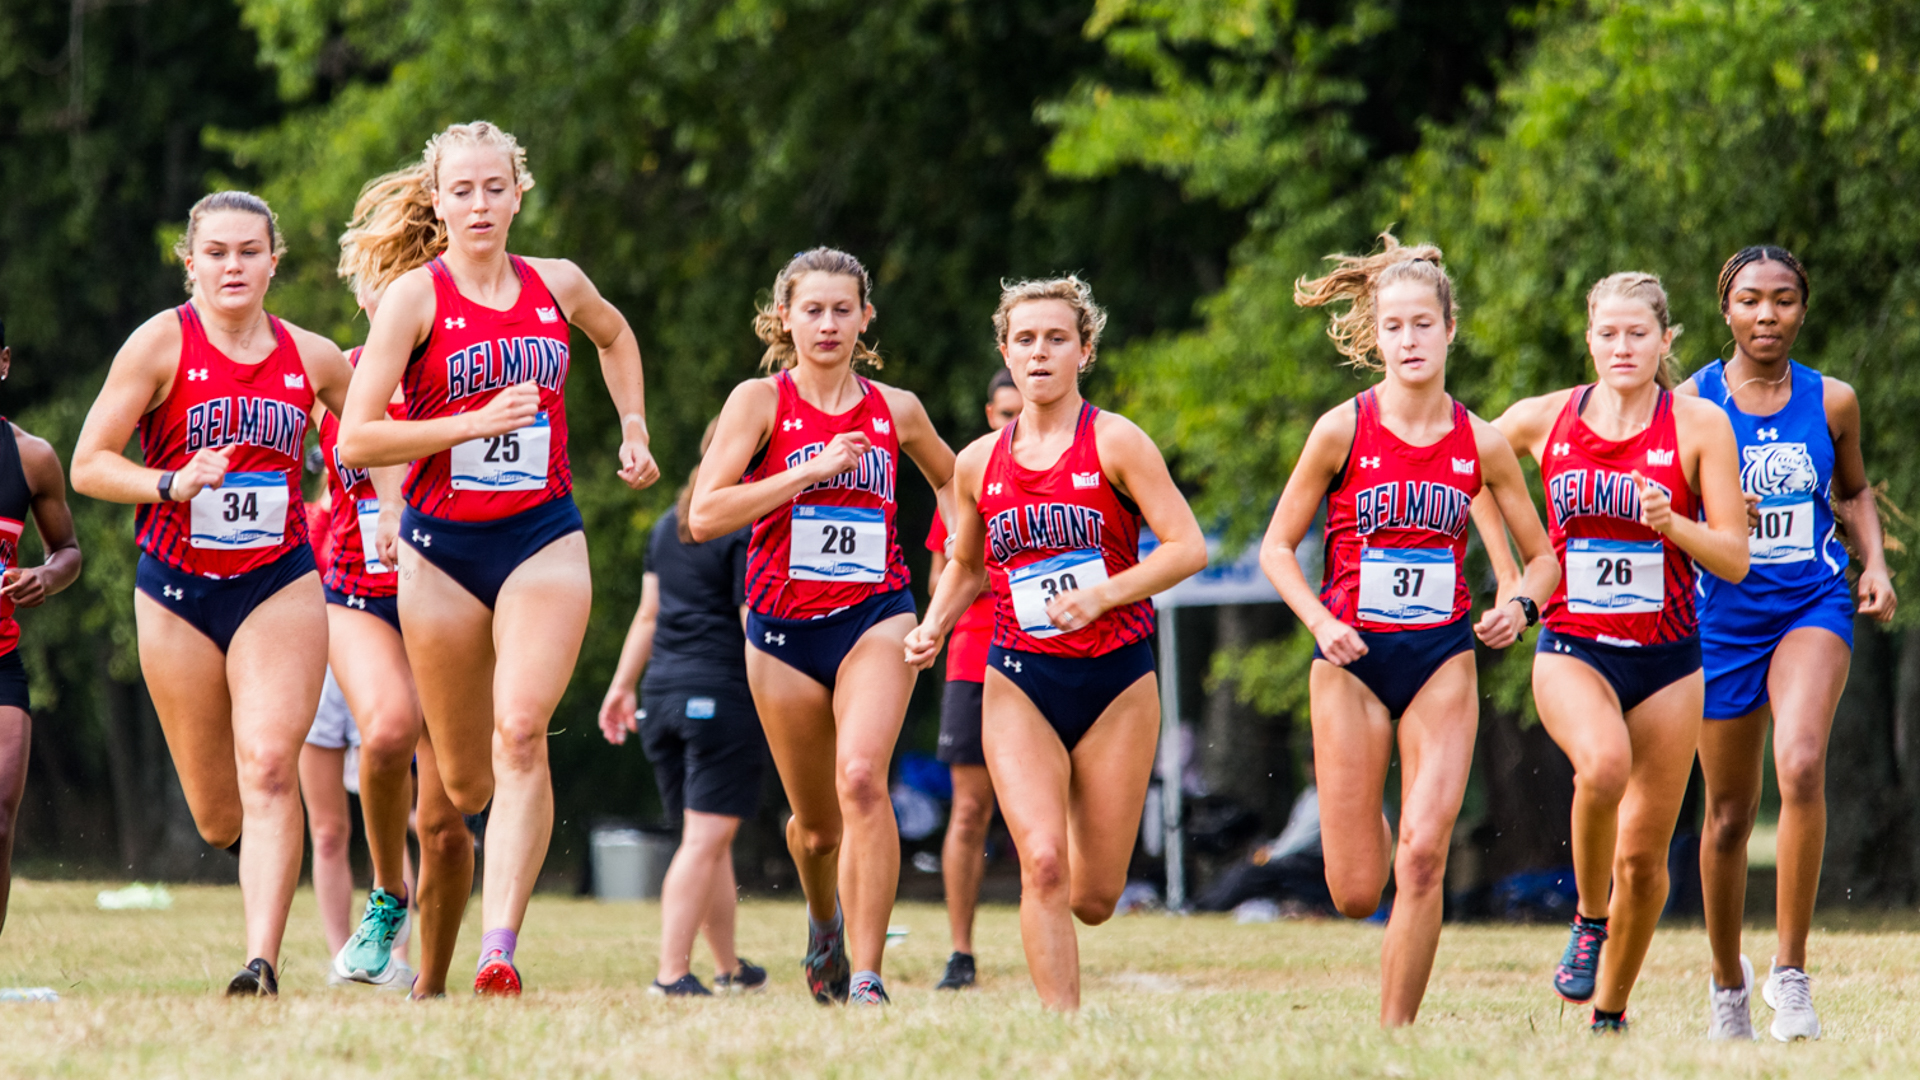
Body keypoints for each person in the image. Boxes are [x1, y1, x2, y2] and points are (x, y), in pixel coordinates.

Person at [337, 121, 659, 996]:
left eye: (494, 187)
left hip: (541, 536)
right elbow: (361, 437)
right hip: (440, 552)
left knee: (522, 730)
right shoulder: (414, 298)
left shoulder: (557, 284)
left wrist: (632, 425)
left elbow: (617, 337)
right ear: (437, 202)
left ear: (520, 193)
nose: (479, 204)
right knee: (460, 786)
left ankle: (500, 947)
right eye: (461, 190)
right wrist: (469, 423)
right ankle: (409, 927)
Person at [1259, 235, 1560, 1027]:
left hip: (1440, 660)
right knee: (1356, 889)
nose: (1409, 341)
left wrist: (1519, 606)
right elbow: (1277, 548)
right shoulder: (1341, 430)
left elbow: (1544, 559)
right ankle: (1370, 813)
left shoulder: (1480, 443)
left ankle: (1396, 1040)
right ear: (1377, 335)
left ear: (1450, 329)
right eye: (1394, 327)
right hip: (1350, 658)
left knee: (1423, 858)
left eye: (1423, 325)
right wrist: (1320, 621)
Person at [71, 191, 354, 995]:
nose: (234, 266)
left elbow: (365, 434)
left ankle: (260, 963)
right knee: (218, 813)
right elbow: (90, 462)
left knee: (270, 767)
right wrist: (169, 480)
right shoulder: (159, 345)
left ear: (275, 260)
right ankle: (255, 851)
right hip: (176, 591)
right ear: (190, 263)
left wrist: (388, 506)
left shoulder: (313, 356)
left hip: (278, 582)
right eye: (217, 252)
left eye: (249, 251)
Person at [905, 275, 1208, 1011]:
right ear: (1005, 352)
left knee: (1094, 895)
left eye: (1056, 339)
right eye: (1025, 340)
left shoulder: (1116, 441)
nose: (1039, 353)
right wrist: (934, 622)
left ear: (1085, 350)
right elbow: (969, 564)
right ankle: (1061, 1036)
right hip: (1018, 677)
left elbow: (1187, 546)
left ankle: (1081, 804)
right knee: (1042, 863)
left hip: (1116, 681)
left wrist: (1104, 592)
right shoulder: (977, 461)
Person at [1474, 271, 1748, 1033]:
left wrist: (1674, 525)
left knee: (1643, 860)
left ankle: (1610, 1015)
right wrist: (1512, 579)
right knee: (1601, 765)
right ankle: (1589, 920)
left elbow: (1733, 558)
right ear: (1589, 338)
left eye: (1638, 334)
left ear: (1666, 341)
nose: (1622, 347)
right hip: (1573, 646)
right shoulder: (1546, 418)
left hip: (1668, 660)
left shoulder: (1698, 427)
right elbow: (1466, 475)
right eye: (1607, 333)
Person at [690, 247, 955, 1006]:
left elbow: (954, 485)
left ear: (866, 317)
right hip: (780, 630)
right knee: (815, 828)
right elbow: (705, 514)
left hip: (877, 612)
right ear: (786, 318)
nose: (829, 323)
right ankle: (823, 921)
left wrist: (953, 575)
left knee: (864, 780)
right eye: (813, 309)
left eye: (843, 309)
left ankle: (867, 977)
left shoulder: (895, 409)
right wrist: (806, 472)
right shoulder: (759, 402)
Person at [1683, 246, 1895, 1041]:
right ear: (1726, 310)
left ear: (1803, 309)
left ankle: (1792, 977)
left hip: (1811, 602)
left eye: (1782, 300)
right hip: (1721, 620)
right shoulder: (1690, 404)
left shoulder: (1832, 400)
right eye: (1749, 301)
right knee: (1730, 816)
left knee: (1801, 762)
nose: (1766, 315)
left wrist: (1872, 562)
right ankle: (1725, 986)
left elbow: (1853, 491)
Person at [323, 242, 474, 999]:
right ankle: (387, 896)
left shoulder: (465, 371)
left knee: (445, 822)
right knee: (384, 728)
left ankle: (434, 985)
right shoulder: (338, 373)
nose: (396, 295)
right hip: (358, 596)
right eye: (380, 282)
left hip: (450, 597)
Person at [598, 422, 768, 997]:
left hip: (662, 700)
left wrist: (622, 686)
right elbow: (752, 622)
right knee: (703, 841)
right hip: (720, 697)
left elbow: (648, 616)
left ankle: (728, 969)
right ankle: (671, 972)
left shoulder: (671, 524)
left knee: (706, 837)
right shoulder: (744, 526)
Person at [923, 367, 1021, 991]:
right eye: (1003, 413)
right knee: (969, 811)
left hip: (1049, 651)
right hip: (973, 657)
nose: (1013, 422)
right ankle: (961, 951)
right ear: (990, 414)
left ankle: (1063, 920)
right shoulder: (973, 476)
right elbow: (941, 581)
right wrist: (983, 564)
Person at [0, 317, 85, 938]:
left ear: (3, 364)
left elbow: (69, 551)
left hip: (2, 661)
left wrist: (45, 578)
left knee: (1, 815)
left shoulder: (31, 457)